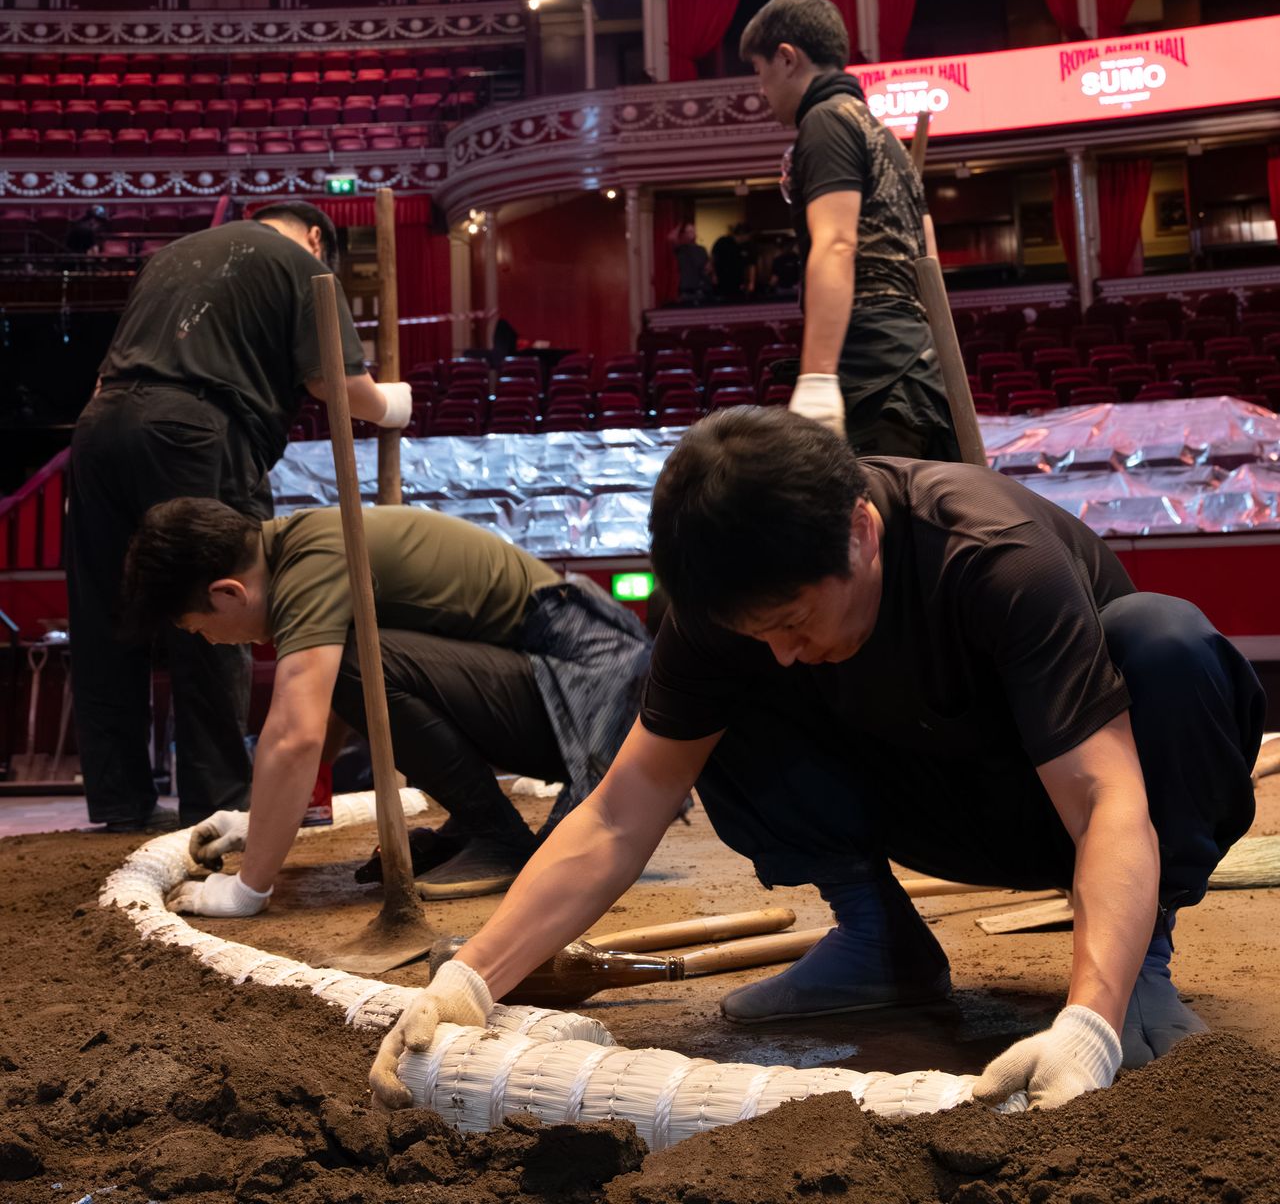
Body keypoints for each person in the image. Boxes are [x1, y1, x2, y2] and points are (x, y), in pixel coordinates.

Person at [366, 410, 1263, 1114]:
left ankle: (1140, 966)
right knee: (708, 706)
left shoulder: (992, 559)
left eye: (797, 620)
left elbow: (1106, 798)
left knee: (1165, 640)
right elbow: (620, 809)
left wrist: (1089, 1028)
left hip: (1089, 814)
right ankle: (878, 942)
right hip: (927, 801)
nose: (788, 650)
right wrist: (471, 979)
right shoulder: (729, 622)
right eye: (766, 631)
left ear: (863, 532)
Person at [119, 498, 652, 913]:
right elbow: (322, 722)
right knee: (353, 667)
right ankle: (478, 827)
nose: (213, 642)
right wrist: (261, 822)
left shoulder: (313, 559)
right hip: (556, 681)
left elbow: (296, 733)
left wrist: (247, 889)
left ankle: (496, 835)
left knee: (358, 664)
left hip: (588, 690)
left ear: (228, 593)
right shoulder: (301, 548)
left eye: (200, 629)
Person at [65, 202, 412, 834]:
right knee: (220, 605)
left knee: (109, 614)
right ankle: (217, 801)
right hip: (192, 432)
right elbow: (333, 383)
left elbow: (104, 375)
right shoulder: (305, 268)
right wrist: (390, 405)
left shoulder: (170, 256)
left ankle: (118, 804)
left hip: (97, 429)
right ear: (315, 237)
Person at [739, 0, 959, 459]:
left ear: (787, 58)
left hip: (873, 377)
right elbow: (930, 267)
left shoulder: (825, 122)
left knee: (862, 532)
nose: (761, 90)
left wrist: (817, 378)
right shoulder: (885, 138)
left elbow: (836, 244)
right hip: (919, 376)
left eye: (759, 73)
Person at [711, 223, 753, 302]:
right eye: (748, 235)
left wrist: (750, 282)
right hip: (722, 281)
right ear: (742, 234)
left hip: (738, 283)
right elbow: (713, 258)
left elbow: (749, 265)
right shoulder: (722, 242)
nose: (749, 238)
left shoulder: (745, 246)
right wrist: (714, 274)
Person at [670, 222, 710, 305]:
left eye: (692, 231)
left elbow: (707, 267)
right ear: (684, 234)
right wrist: (679, 225)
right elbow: (671, 238)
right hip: (686, 289)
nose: (690, 234)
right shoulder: (681, 249)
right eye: (688, 232)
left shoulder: (701, 249)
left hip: (700, 289)